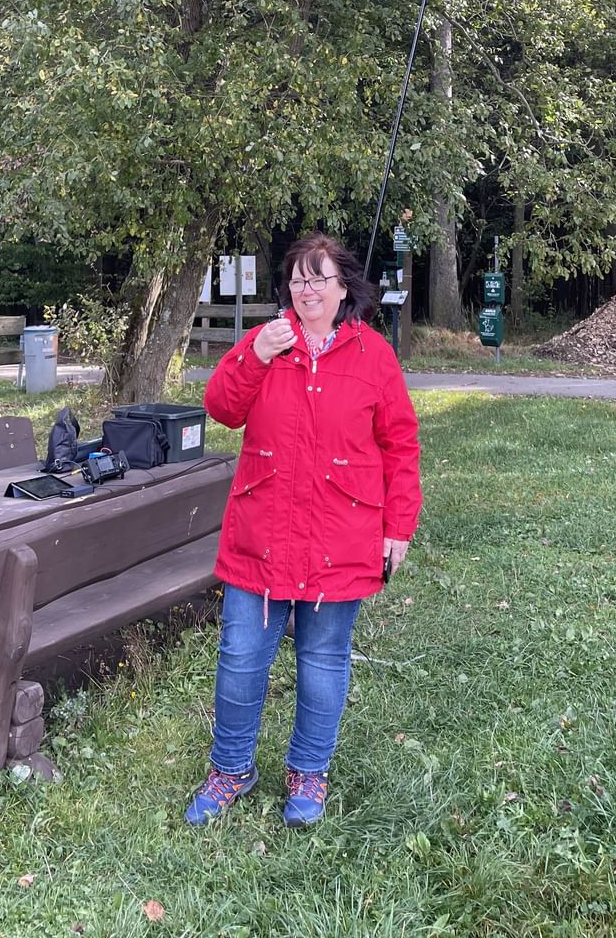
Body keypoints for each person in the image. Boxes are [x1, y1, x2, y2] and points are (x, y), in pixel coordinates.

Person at [185, 231, 422, 828]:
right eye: (297, 278)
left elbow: (400, 446)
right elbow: (221, 408)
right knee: (241, 658)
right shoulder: (267, 342)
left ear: (344, 289)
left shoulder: (374, 356)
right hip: (261, 534)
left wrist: (398, 528)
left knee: (323, 661)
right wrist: (254, 356)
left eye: (319, 278)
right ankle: (230, 770)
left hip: (341, 538)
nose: (306, 288)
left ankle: (308, 773)